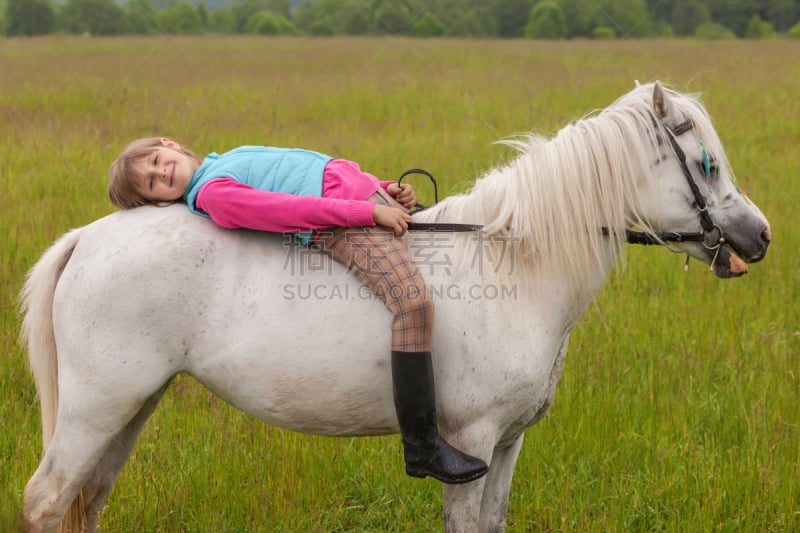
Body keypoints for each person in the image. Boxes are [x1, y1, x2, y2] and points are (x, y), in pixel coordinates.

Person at [108, 137, 489, 485]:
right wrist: (367, 213)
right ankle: (423, 445)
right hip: (340, 225)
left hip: (359, 201)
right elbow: (290, 207)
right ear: (159, 202)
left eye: (157, 160)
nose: (162, 171)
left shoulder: (222, 161)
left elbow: (314, 173)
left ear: (169, 144)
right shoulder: (213, 193)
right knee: (413, 303)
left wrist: (384, 189)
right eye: (153, 182)